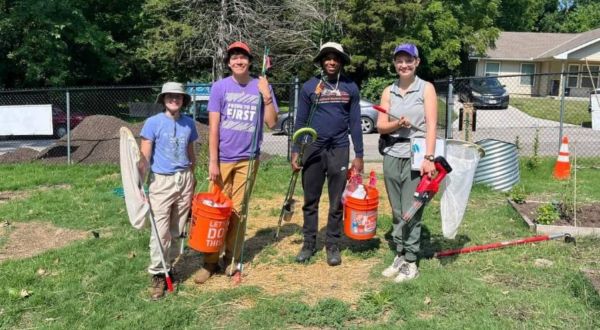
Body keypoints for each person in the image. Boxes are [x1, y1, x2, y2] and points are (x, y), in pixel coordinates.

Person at [194, 41, 278, 284]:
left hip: (248, 160)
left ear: (250, 61)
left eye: (242, 57)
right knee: (216, 210)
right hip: (222, 160)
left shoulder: (260, 85)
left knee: (238, 211)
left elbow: (272, 123)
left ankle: (231, 259)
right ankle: (209, 262)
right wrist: (213, 161)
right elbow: (214, 127)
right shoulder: (219, 87)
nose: (238, 61)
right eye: (234, 57)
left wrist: (266, 95)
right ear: (229, 62)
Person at [292, 42, 364, 266]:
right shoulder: (309, 87)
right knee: (310, 200)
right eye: (327, 58)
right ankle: (309, 243)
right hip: (313, 149)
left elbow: (355, 122)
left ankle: (332, 245)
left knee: (336, 202)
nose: (331, 62)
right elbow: (301, 121)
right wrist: (296, 151)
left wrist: (359, 154)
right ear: (321, 61)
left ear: (341, 61)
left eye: (335, 58)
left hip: (339, 149)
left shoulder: (350, 87)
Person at [377, 43, 437, 282]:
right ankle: (400, 254)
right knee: (397, 210)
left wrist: (429, 158)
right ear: (394, 64)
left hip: (417, 157)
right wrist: (397, 125)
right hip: (392, 155)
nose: (404, 65)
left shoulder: (426, 89)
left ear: (417, 63)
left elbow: (432, 125)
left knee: (412, 210)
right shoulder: (388, 91)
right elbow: (381, 125)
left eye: (408, 60)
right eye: (399, 61)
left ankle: (412, 261)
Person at [139, 82, 198, 300]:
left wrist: (193, 177)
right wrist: (139, 180)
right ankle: (157, 275)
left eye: (179, 96)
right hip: (161, 182)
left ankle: (168, 267)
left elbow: (191, 154)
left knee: (177, 229)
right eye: (170, 96)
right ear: (163, 99)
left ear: (183, 101)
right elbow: (144, 156)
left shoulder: (189, 124)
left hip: (184, 180)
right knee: (160, 230)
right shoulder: (152, 123)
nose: (175, 99)